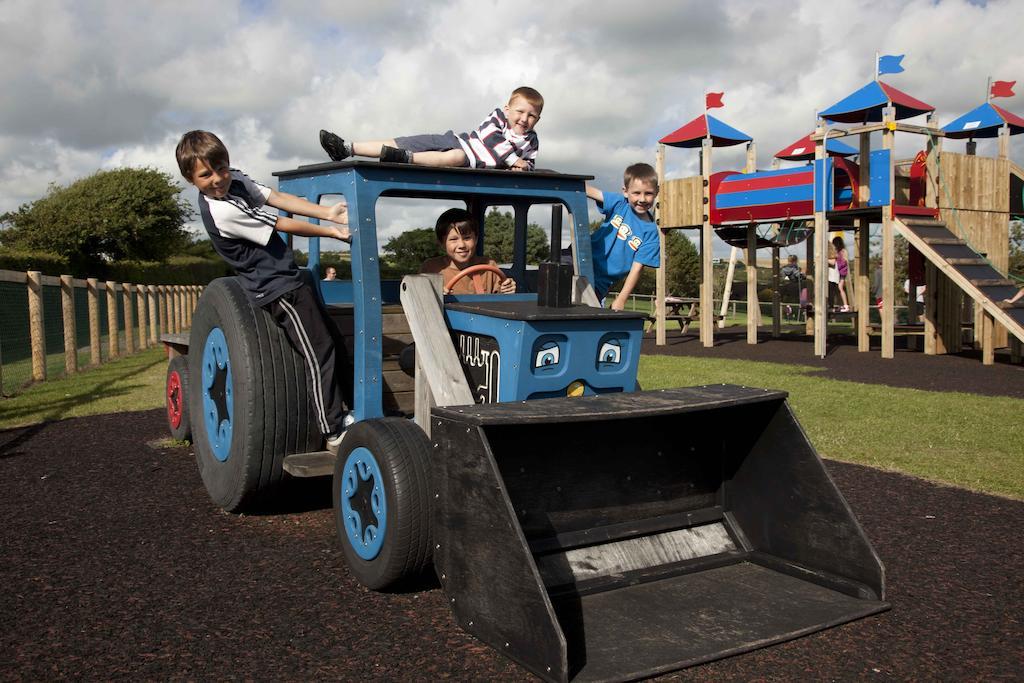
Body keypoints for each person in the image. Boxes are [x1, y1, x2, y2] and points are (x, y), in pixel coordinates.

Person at [174, 130, 352, 450]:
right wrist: (331, 232)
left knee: (330, 342)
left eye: (222, 168)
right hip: (276, 288)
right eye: (206, 175)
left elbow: (275, 198)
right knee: (318, 352)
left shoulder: (236, 181)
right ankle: (332, 429)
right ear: (191, 179)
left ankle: (345, 410)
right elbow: (279, 223)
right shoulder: (221, 211)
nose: (218, 179)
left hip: (288, 276)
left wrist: (328, 211)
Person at [319, 86, 543, 171]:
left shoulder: (531, 141)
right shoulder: (497, 119)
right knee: (407, 141)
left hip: (470, 159)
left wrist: (522, 168)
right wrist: (514, 161)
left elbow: (530, 164)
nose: (524, 119)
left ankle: (405, 159)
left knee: (455, 158)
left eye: (531, 115)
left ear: (538, 119)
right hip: (459, 140)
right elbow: (491, 138)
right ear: (507, 109)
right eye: (520, 112)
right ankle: (347, 148)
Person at [586, 163, 661, 310]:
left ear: (657, 192)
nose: (643, 199)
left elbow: (637, 268)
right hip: (581, 259)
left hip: (600, 281)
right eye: (637, 193)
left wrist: (621, 299)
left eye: (649, 193)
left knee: (583, 317)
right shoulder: (619, 204)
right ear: (625, 191)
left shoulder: (651, 234)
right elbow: (588, 191)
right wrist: (561, 179)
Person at [420, 208, 517, 294]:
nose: (462, 245)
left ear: (476, 239)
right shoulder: (431, 268)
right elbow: (421, 300)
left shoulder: (489, 266)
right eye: (453, 239)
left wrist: (507, 289)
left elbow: (500, 302)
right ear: (441, 243)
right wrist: (437, 298)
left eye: (467, 238)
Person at [830, 236, 850, 312]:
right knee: (837, 289)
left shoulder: (842, 252)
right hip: (841, 272)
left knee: (840, 288)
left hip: (841, 272)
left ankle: (845, 305)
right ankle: (842, 305)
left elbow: (843, 261)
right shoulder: (842, 251)